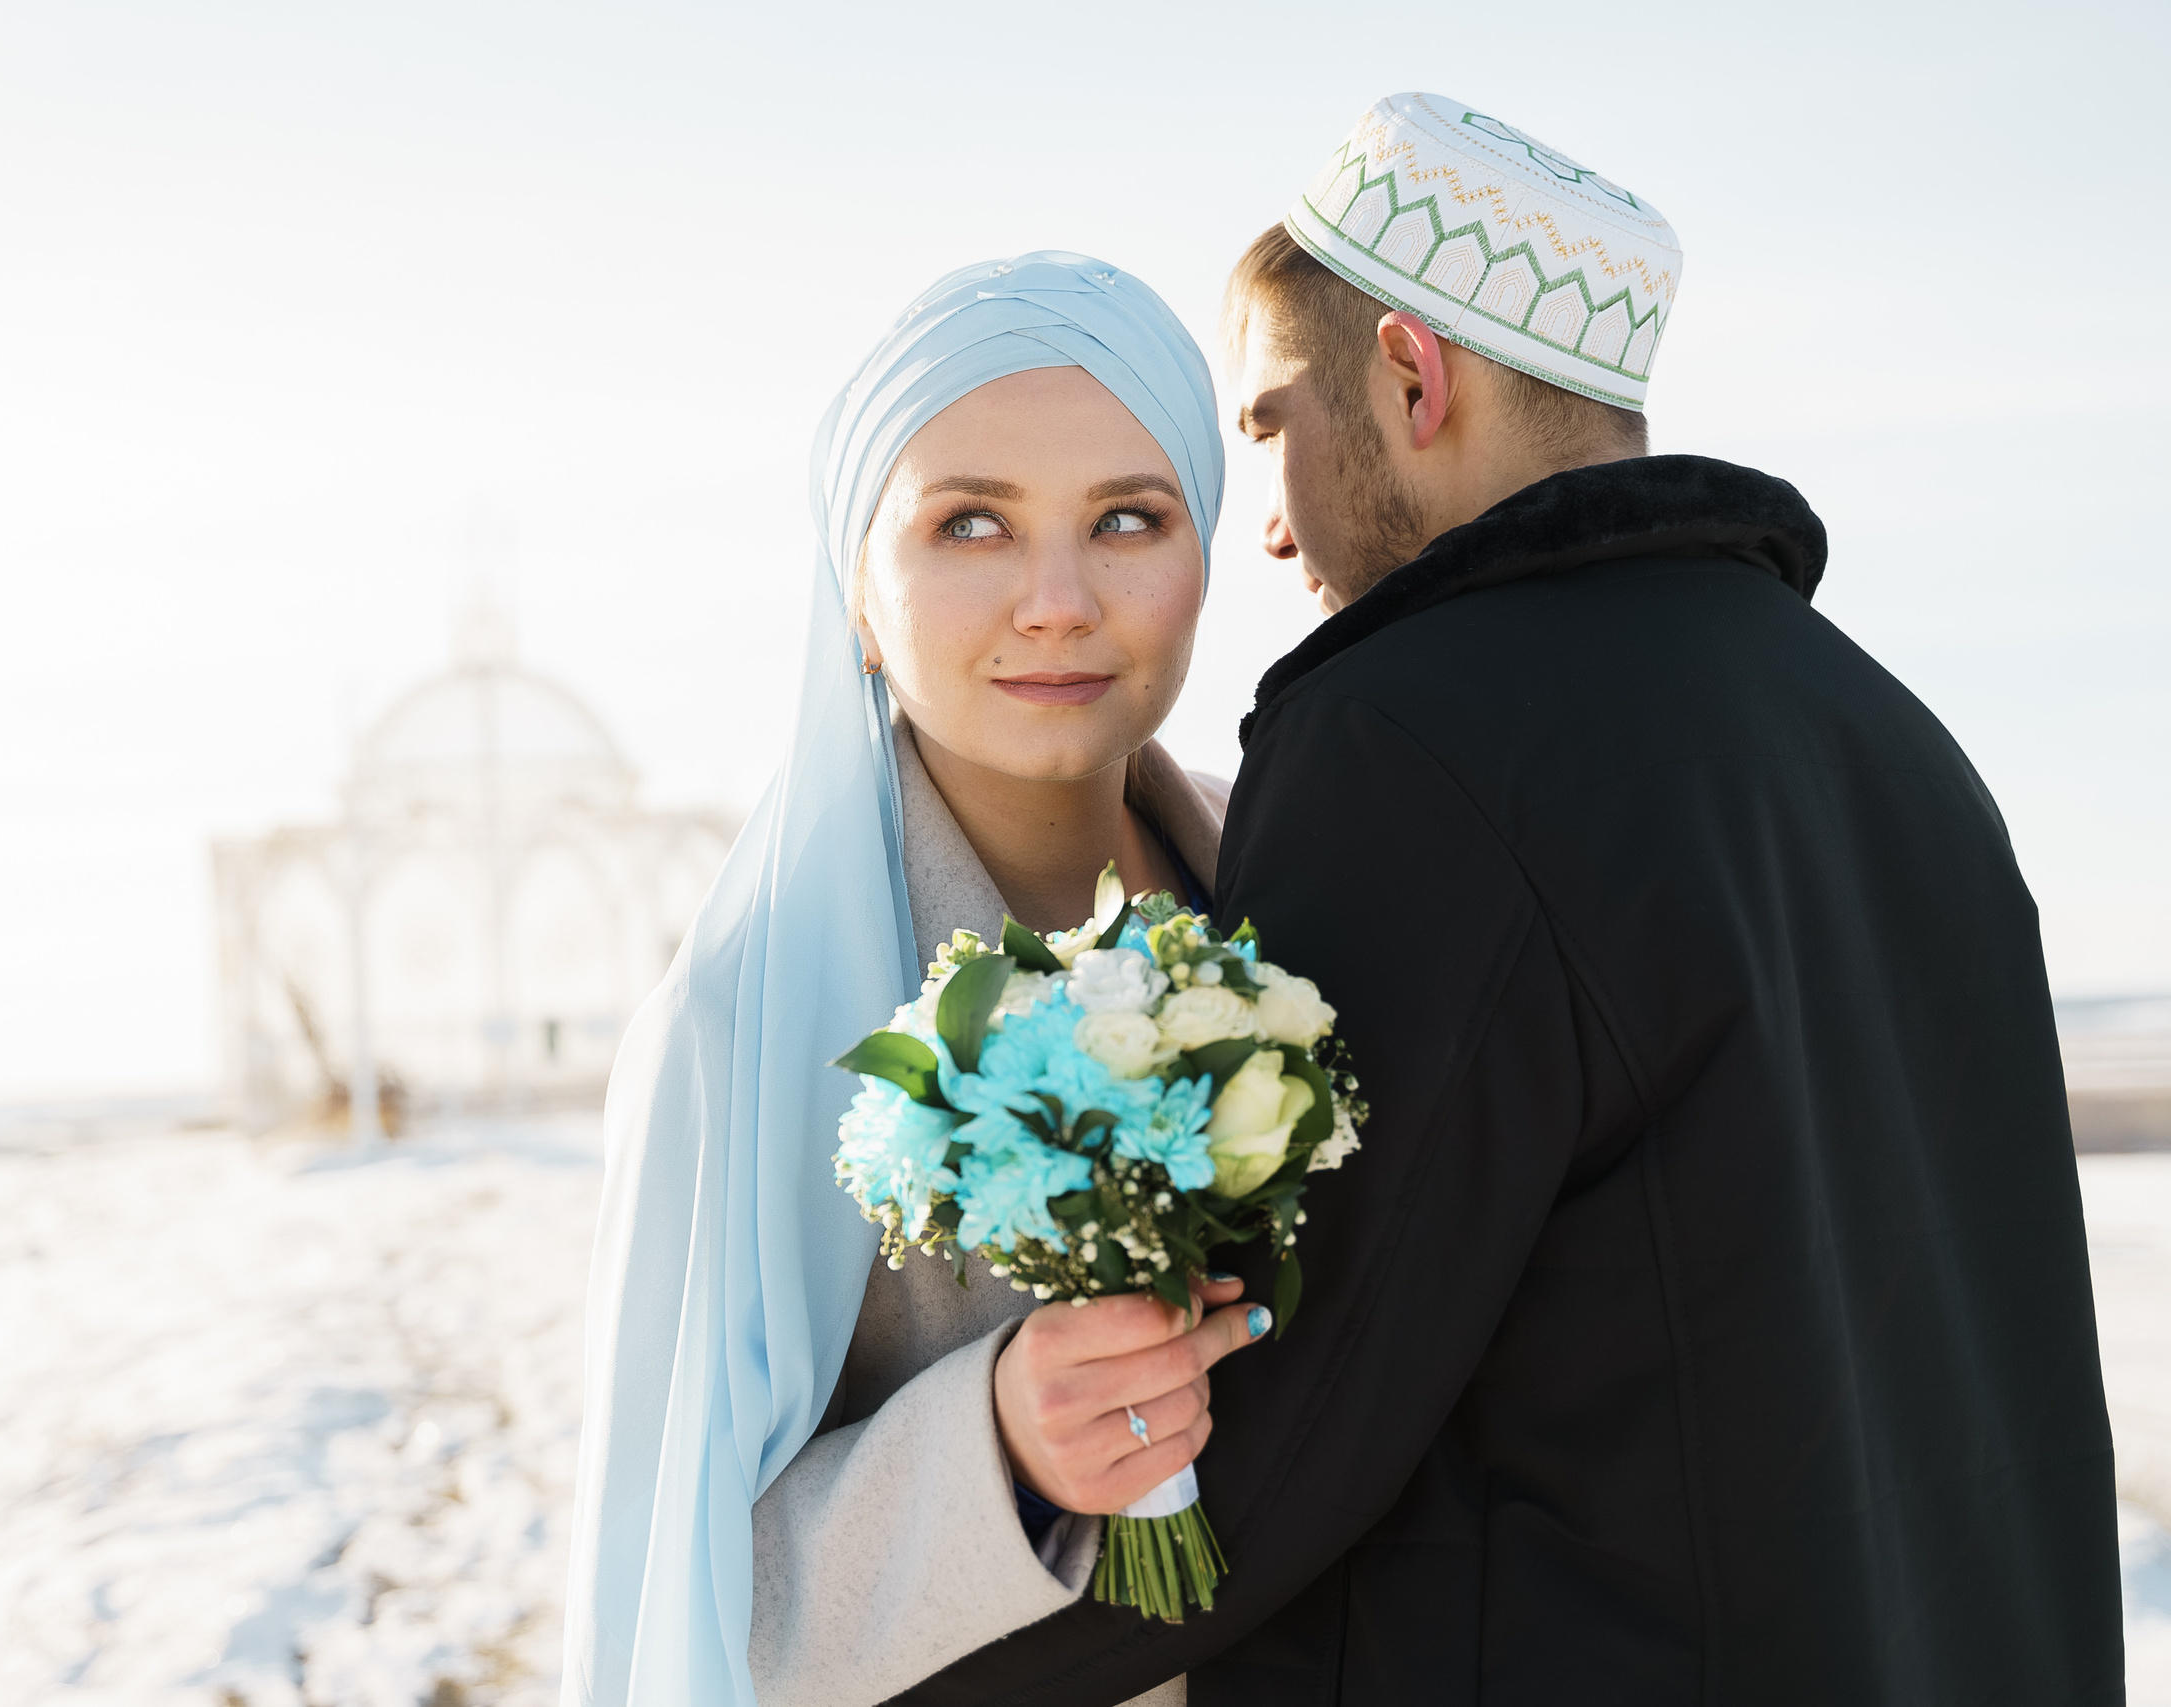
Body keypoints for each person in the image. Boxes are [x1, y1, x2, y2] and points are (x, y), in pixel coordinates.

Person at [888, 93, 2122, 1705]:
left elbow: (1285, 1427)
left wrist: (835, 1655)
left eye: (1271, 422)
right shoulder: (1896, 745)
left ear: (1411, 375)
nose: (1266, 519)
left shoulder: (1418, 735)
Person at [563, 253, 1267, 1707]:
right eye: (969, 526)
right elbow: (674, 1622)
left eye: (1127, 518)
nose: (1059, 601)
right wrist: (994, 1444)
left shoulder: (1300, 897)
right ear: (859, 596)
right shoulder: (732, 1033)